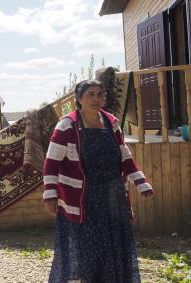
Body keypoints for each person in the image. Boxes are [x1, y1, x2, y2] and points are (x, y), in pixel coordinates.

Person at [43, 80, 153, 283]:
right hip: (84, 199)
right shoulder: (67, 125)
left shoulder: (111, 121)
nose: (96, 98)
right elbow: (51, 164)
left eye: (100, 94)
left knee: (114, 247)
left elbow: (124, 155)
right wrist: (50, 194)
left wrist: (141, 182)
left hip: (113, 197)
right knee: (91, 248)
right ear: (79, 99)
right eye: (90, 94)